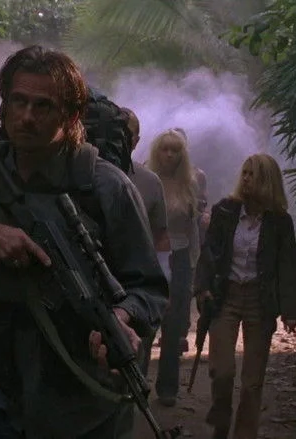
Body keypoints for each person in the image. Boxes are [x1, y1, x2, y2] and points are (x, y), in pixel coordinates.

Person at [0, 46, 168, 439]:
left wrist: (122, 317)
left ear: (71, 115)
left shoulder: (107, 187)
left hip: (84, 396)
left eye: (43, 106)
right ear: (4, 104)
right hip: (0, 385)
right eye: (19, 101)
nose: (27, 116)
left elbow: (149, 288)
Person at [194, 153, 296, 439]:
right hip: (226, 296)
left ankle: (244, 433)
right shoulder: (225, 211)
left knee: (253, 381)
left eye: (253, 174)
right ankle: (221, 418)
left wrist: (291, 311)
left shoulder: (280, 222)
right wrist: (202, 287)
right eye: (244, 172)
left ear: (267, 181)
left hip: (260, 301)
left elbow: (287, 266)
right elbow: (209, 253)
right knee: (222, 370)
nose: (246, 178)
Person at [146, 129, 200, 407]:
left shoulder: (191, 182)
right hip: (150, 256)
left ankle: (167, 388)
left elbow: (193, 228)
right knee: (144, 321)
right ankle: (137, 382)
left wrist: (194, 262)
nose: (169, 155)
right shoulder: (146, 180)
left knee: (174, 323)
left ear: (182, 154)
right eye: (165, 149)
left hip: (180, 257)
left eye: (175, 150)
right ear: (157, 152)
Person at [121, 106, 170, 377]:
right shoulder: (81, 174)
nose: (120, 138)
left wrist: (163, 285)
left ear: (136, 140)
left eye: (127, 133)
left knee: (137, 357)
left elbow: (161, 237)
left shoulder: (150, 182)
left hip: (138, 283)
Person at [171, 127, 208, 354]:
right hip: (163, 241)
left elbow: (201, 204)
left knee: (184, 289)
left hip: (187, 237)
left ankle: (180, 333)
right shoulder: (153, 173)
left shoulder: (196, 175)